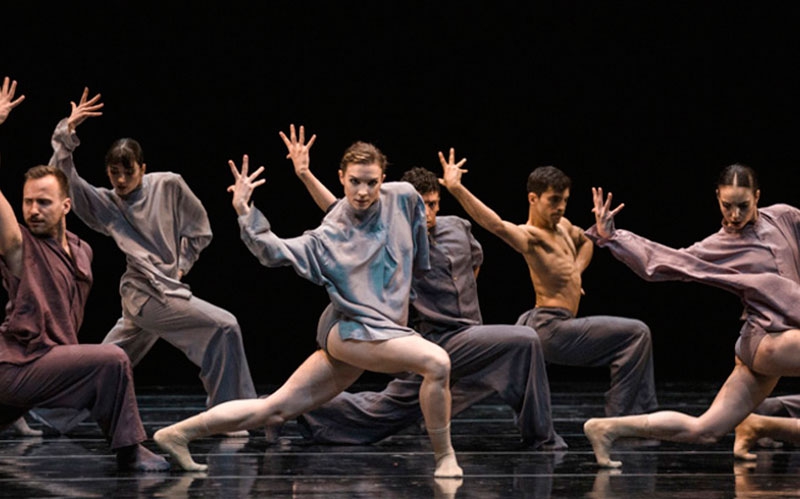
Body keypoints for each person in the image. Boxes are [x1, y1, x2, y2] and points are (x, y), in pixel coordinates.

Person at [154, 139, 463, 478]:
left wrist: (410, 281)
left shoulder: (404, 197)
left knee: (275, 409)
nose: (362, 191)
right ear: (341, 178)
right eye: (354, 181)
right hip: (350, 330)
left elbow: (418, 254)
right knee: (437, 362)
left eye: (371, 182)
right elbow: (275, 251)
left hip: (381, 329)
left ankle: (178, 433)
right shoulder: (329, 235)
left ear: (383, 178)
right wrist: (244, 211)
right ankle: (445, 457)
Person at [279, 125, 564, 449]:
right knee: (523, 341)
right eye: (420, 205)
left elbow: (474, 262)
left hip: (470, 337)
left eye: (432, 204)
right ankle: (289, 412)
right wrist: (304, 174)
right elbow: (337, 209)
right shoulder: (394, 238)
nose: (427, 212)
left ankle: (290, 411)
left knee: (395, 407)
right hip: (435, 339)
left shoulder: (459, 227)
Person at [41, 88, 257, 433]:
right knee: (224, 326)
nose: (122, 181)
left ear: (144, 168)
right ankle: (231, 417)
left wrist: (181, 266)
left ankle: (46, 412)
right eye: (114, 173)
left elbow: (200, 231)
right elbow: (64, 181)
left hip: (164, 289)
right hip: (144, 294)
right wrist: (66, 132)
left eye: (129, 172)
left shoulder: (169, 185)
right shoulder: (107, 203)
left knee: (109, 360)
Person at [0, 77, 168, 471]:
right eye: (27, 203)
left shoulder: (82, 250)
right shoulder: (19, 246)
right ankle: (129, 451)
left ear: (66, 206)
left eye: (44, 202)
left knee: (103, 365)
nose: (33, 210)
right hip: (18, 366)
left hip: (43, 369)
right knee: (111, 359)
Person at [583, 163, 800, 467]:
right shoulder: (719, 246)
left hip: (769, 349)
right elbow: (661, 263)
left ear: (758, 196)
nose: (734, 215)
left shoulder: (784, 218)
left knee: (705, 430)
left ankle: (607, 429)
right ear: (717, 198)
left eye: (743, 206)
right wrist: (612, 237)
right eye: (727, 206)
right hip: (768, 342)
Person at [438, 150, 658, 417]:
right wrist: (457, 189)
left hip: (541, 324)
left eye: (565, 200)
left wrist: (576, 272)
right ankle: (626, 422)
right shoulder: (531, 236)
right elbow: (496, 225)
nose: (561, 207)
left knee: (491, 375)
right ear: (533, 198)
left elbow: (586, 241)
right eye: (554, 200)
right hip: (550, 327)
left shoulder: (563, 225)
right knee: (636, 334)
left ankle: (431, 413)